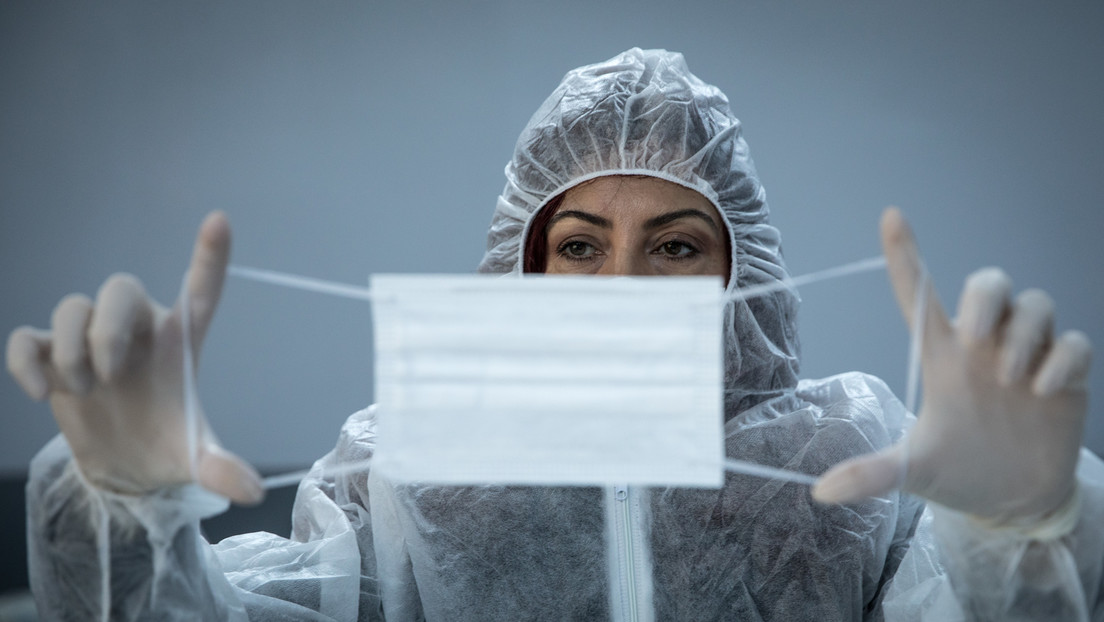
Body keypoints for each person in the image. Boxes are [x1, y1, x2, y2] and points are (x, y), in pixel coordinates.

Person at [9, 48, 1102, 621]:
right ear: (518, 265)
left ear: (747, 273)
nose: (620, 285)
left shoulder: (848, 465)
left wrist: (1018, 531)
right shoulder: (411, 468)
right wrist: (119, 513)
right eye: (579, 246)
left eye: (676, 247)